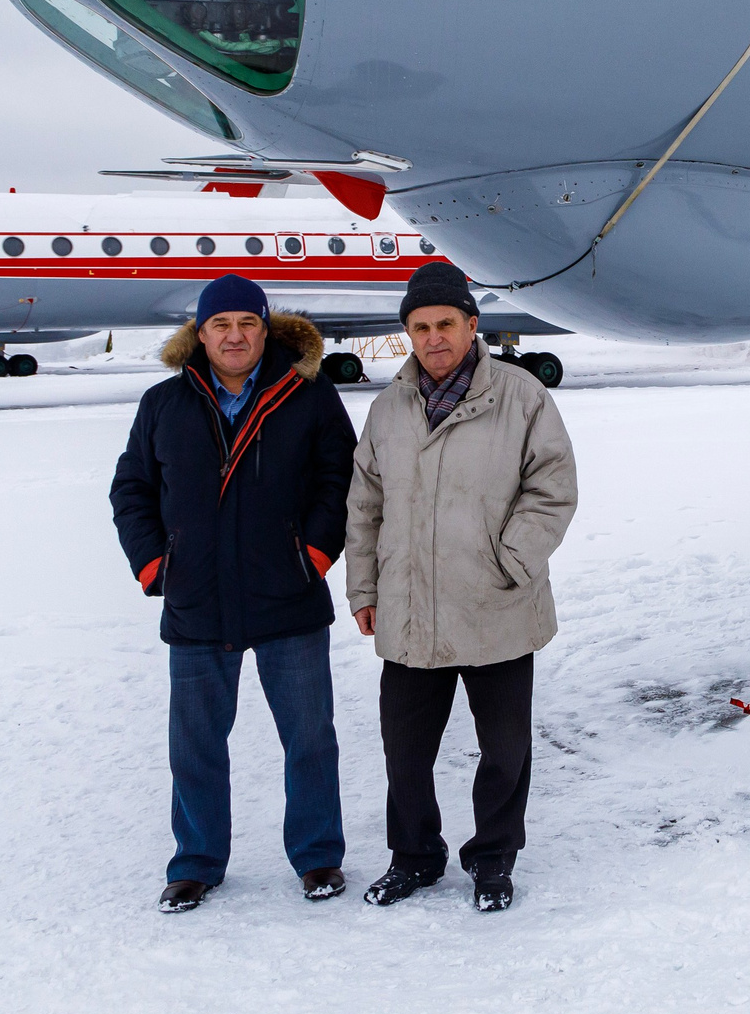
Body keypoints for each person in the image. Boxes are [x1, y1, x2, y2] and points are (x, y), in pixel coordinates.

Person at [111, 274, 359, 913]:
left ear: (265, 330)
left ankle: (317, 856)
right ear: (200, 334)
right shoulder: (163, 403)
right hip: (196, 599)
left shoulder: (308, 394)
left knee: (309, 738)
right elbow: (132, 489)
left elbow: (341, 480)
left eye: (247, 323)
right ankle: (196, 862)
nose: (235, 336)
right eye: (220, 325)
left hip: (289, 597)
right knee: (194, 744)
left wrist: (313, 555)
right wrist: (155, 566)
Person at [347, 261, 576, 913]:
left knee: (504, 749)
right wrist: (365, 589)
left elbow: (552, 487)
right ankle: (414, 856)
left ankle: (493, 857)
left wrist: (509, 560)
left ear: (471, 325)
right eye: (420, 327)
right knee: (405, 752)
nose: (434, 338)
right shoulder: (389, 407)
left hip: (495, 604)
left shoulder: (521, 396)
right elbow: (364, 504)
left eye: (445, 323)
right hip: (410, 608)